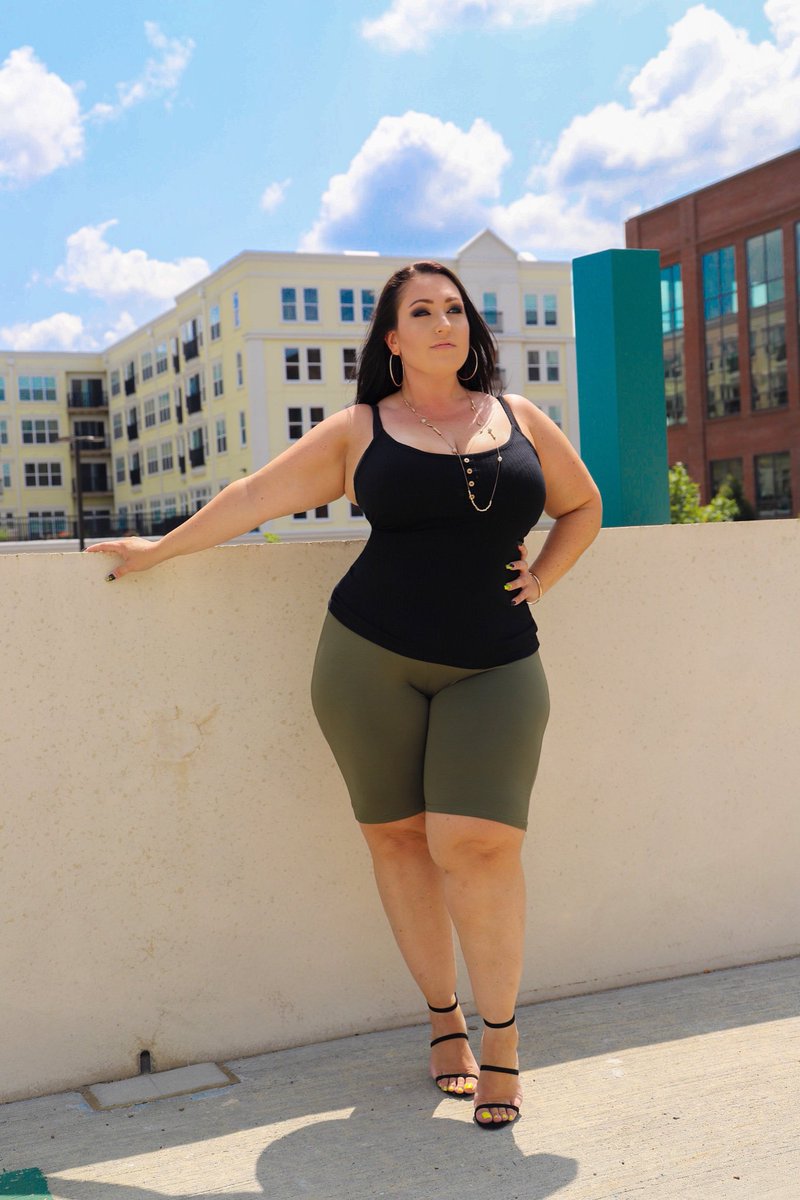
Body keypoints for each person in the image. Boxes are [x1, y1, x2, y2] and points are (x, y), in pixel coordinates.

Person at [88, 261, 602, 1129]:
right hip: (368, 661)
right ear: (393, 339)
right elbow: (254, 496)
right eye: (422, 312)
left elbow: (582, 506)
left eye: (455, 309)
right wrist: (158, 551)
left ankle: (504, 1039)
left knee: (478, 846)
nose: (445, 323)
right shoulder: (360, 429)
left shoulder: (520, 418)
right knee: (398, 840)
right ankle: (444, 1021)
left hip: (497, 664)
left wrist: (543, 578)